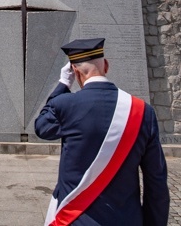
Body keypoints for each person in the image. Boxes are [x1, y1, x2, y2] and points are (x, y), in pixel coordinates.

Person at [35, 38, 169, 226]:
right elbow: (156, 181)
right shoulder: (142, 111)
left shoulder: (65, 104)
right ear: (106, 65)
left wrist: (63, 84)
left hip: (75, 220)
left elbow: (42, 127)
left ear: (74, 71)